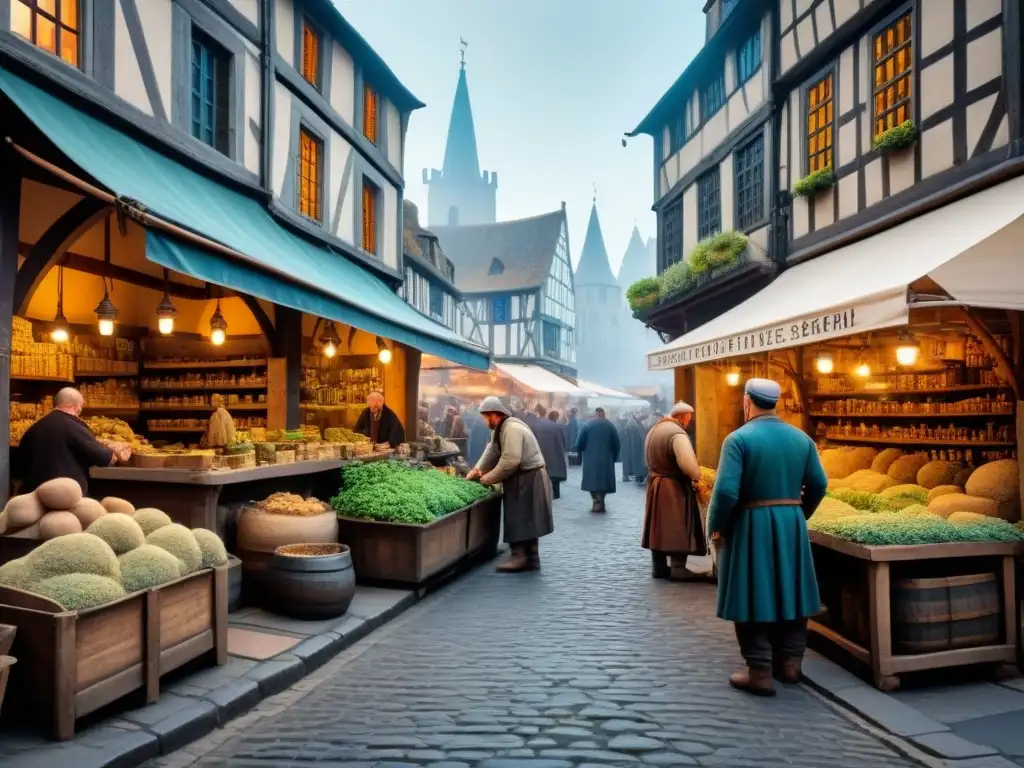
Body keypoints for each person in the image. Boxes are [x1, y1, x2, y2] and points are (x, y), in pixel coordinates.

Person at [707, 378, 828, 697]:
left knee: (752, 593)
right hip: (791, 521)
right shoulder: (802, 440)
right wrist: (800, 515)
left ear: (747, 402)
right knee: (793, 592)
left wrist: (716, 525)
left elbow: (726, 492)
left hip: (750, 522)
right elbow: (819, 484)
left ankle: (759, 671)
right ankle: (790, 665)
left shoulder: (738, 439)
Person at [466, 397, 554, 572]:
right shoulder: (501, 428)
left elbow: (510, 460)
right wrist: (475, 471)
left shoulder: (511, 429)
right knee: (526, 517)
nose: (484, 421)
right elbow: (491, 450)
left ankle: (520, 557)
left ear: (494, 415)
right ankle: (531, 557)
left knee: (520, 517)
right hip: (524, 476)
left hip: (528, 476)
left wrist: (486, 478)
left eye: (485, 416)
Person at [18, 387, 131, 495]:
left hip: (34, 494)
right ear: (78, 407)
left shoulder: (34, 428)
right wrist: (116, 451)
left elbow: (20, 466)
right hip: (64, 496)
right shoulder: (73, 425)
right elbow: (103, 457)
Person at [642, 402, 704, 580]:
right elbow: (688, 465)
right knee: (675, 524)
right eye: (689, 419)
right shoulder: (676, 433)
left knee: (657, 526)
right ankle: (678, 566)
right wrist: (697, 476)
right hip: (672, 485)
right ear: (683, 416)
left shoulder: (654, 430)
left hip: (655, 483)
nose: (689, 422)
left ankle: (658, 567)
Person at [574, 407, 620, 513]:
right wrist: (614, 457)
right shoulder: (610, 426)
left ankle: (597, 500)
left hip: (591, 459)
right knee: (603, 482)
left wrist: (579, 452)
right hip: (606, 459)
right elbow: (617, 444)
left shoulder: (587, 425)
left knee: (593, 482)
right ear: (603, 414)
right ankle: (600, 500)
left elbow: (579, 444)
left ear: (595, 414)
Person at [531, 409, 568, 499]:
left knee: (544, 473)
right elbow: (564, 442)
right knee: (555, 473)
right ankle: (555, 493)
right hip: (556, 454)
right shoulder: (558, 427)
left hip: (541, 453)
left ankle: (544, 493)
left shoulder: (536, 426)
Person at [621, 411, 649, 484]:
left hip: (634, 446)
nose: (641, 417)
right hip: (636, 446)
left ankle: (636, 476)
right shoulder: (633, 423)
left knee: (635, 462)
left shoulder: (634, 423)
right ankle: (638, 476)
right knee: (638, 462)